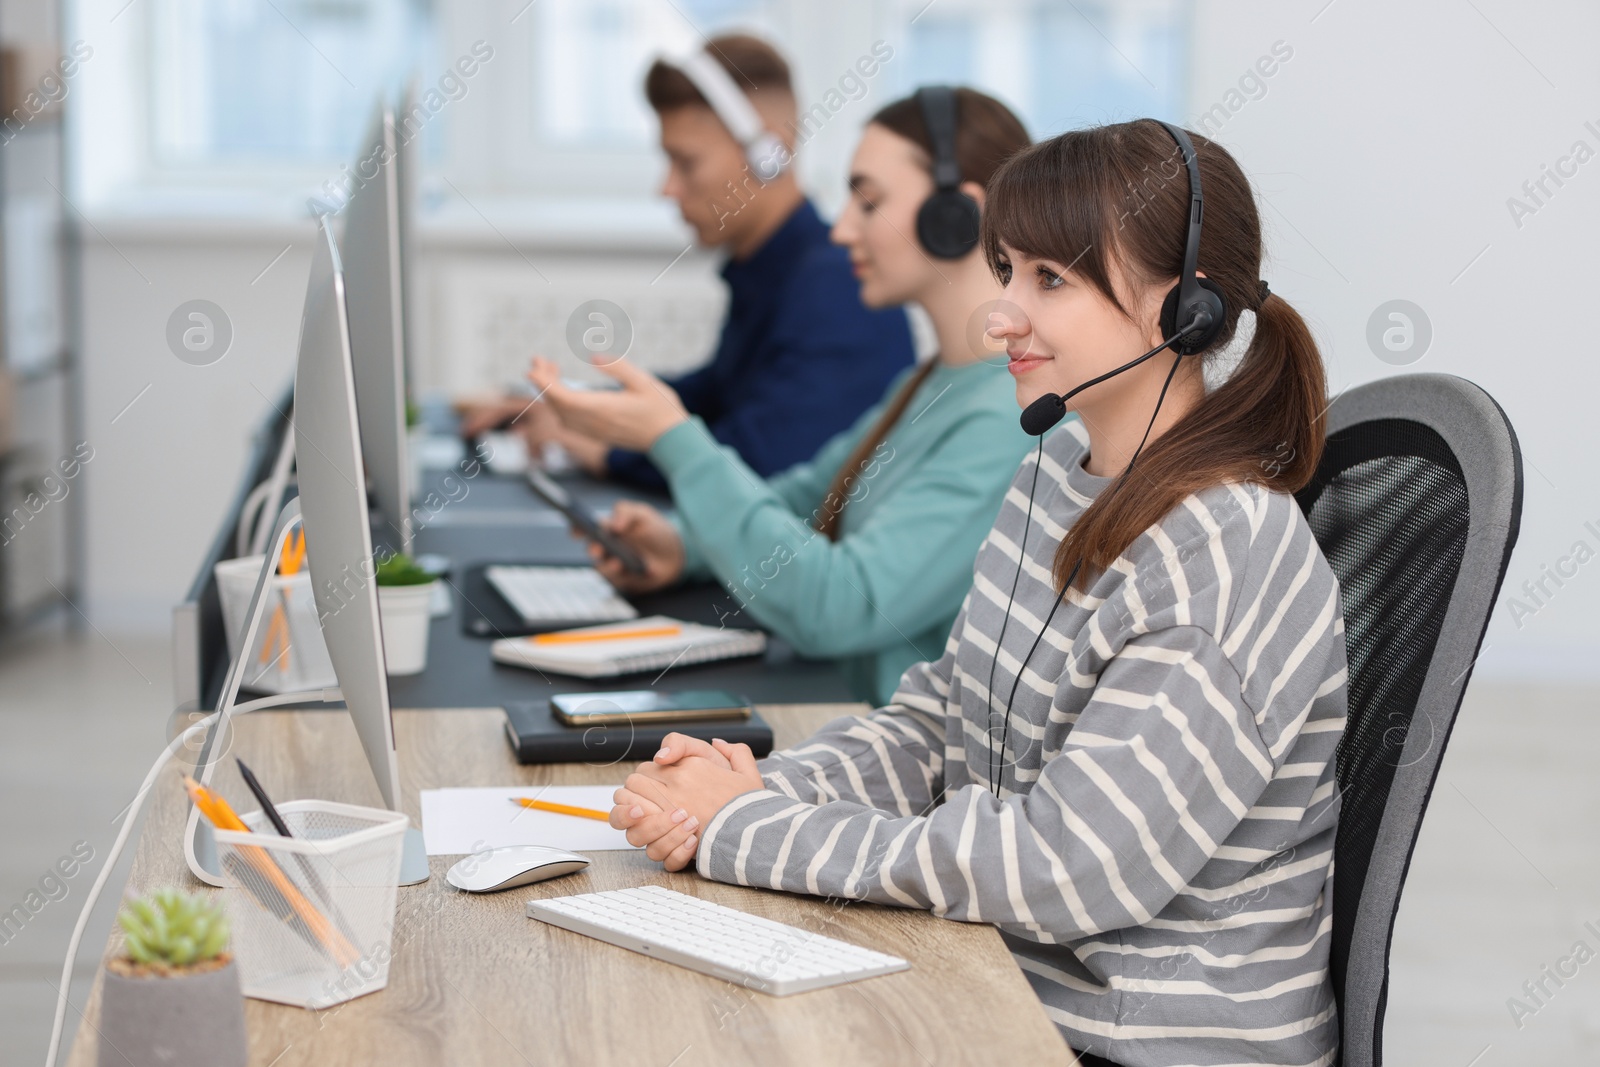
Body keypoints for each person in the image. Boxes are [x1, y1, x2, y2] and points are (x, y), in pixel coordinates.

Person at [611, 119, 1348, 1067]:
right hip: (1006, 987)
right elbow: (938, 720)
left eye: (1050, 280)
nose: (1001, 313)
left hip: (1139, 1043)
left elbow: (1060, 870)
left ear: (1184, 312)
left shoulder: (1226, 552)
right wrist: (752, 790)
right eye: (1007, 271)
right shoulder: (1052, 475)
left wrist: (748, 828)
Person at [527, 88, 1035, 706]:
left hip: (894, 760)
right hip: (836, 714)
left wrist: (674, 442)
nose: (843, 226)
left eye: (869, 200)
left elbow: (841, 606)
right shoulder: (931, 384)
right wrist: (684, 545)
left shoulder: (1009, 419)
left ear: (956, 214)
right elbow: (807, 498)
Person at [461, 34, 914, 489]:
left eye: (686, 163)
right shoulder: (775, 268)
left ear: (770, 156)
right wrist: (574, 408)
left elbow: (762, 463)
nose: (668, 188)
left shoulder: (837, 287)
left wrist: (603, 450)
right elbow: (713, 395)